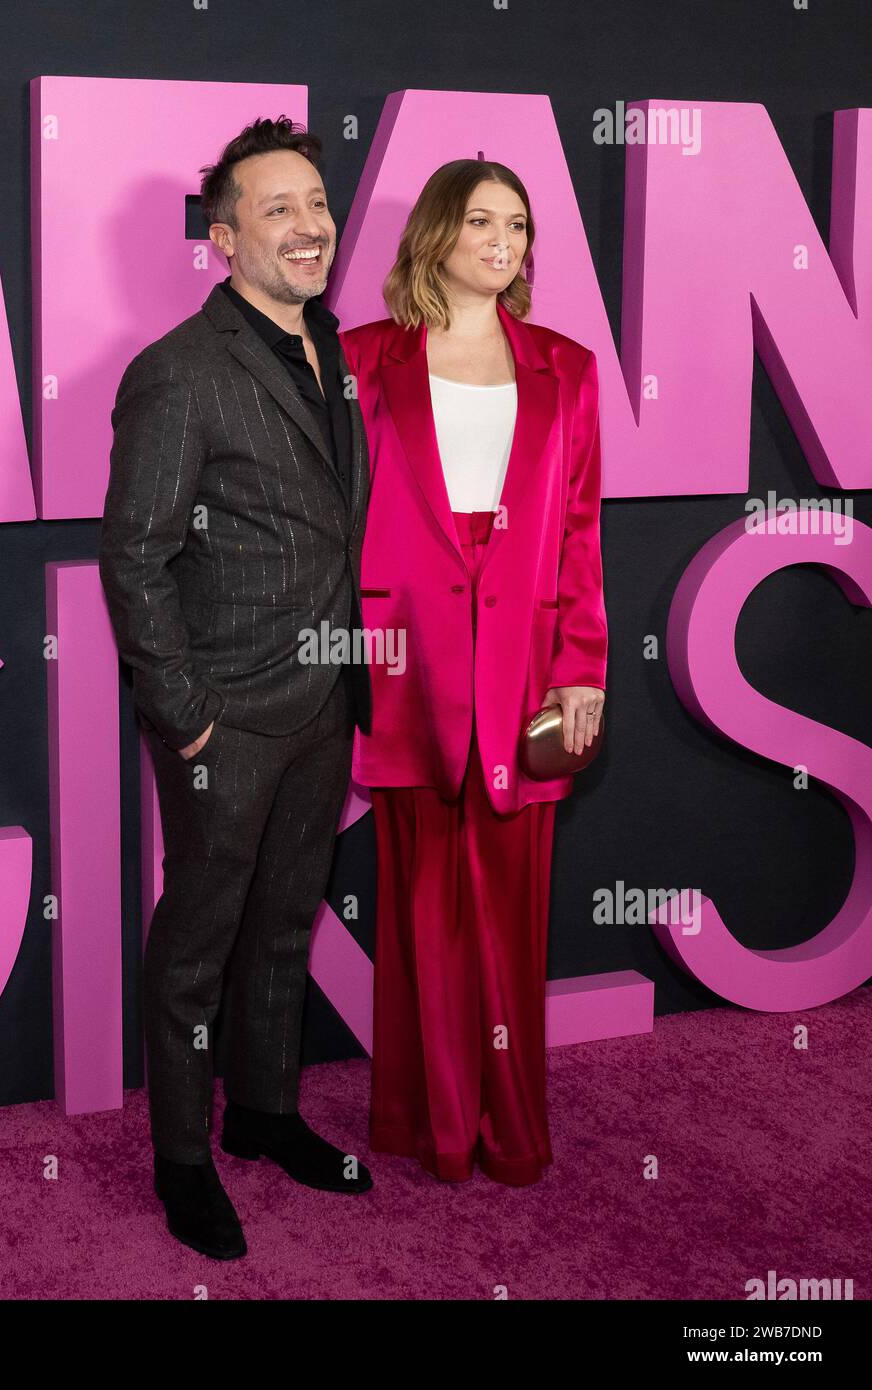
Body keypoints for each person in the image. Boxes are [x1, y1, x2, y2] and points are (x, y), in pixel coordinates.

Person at [99, 116, 374, 1261]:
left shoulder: (336, 348)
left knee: (282, 925)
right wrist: (188, 713)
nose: (308, 226)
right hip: (225, 713)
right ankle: (181, 1159)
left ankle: (264, 1115)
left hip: (322, 702)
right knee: (199, 944)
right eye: (277, 209)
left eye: (315, 203)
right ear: (223, 239)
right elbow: (136, 556)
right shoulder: (176, 370)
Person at [340, 159, 608, 1187]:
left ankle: (509, 1125)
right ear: (436, 231)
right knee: (417, 903)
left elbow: (576, 531)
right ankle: (424, 1122)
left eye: (518, 224)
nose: (503, 239)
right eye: (482, 219)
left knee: (510, 901)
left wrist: (580, 668)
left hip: (526, 669)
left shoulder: (565, 368)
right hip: (401, 659)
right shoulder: (362, 359)